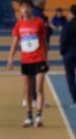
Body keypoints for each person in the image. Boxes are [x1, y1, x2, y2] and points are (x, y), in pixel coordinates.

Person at [7, 0, 49, 128]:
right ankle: (29, 116)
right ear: (20, 10)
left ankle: (39, 116)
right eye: (22, 8)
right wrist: (10, 58)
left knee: (39, 89)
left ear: (31, 8)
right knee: (27, 90)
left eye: (27, 7)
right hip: (26, 61)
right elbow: (15, 43)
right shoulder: (19, 24)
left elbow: (44, 42)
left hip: (39, 59)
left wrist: (45, 58)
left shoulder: (39, 22)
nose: (25, 10)